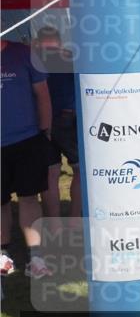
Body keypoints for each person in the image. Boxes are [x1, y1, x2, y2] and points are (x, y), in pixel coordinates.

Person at [0, 39, 53, 278]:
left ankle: (37, 258)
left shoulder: (24, 54)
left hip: (27, 139)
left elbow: (42, 94)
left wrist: (45, 130)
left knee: (29, 198)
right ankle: (3, 254)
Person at [33, 27, 82, 221]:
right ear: (59, 41)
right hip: (67, 118)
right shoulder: (69, 57)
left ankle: (53, 222)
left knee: (50, 174)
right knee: (79, 170)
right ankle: (74, 218)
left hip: (41, 122)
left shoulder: (34, 60)